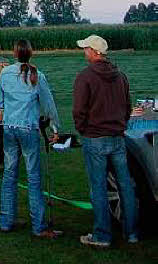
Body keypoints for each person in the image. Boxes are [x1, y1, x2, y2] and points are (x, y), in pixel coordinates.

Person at [73, 35, 138, 247]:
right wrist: (120, 125)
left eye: (86, 49)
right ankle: (132, 233)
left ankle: (102, 235)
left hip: (95, 138)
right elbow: (127, 107)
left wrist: (83, 130)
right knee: (125, 186)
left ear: (94, 51)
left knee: (98, 187)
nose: (84, 52)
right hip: (118, 137)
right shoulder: (121, 76)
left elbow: (79, 110)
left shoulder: (85, 77)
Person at [0, 39, 62, 238]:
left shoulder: (4, 73)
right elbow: (48, 104)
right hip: (28, 129)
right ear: (30, 54)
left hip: (8, 128)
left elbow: (0, 104)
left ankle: (6, 221)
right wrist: (55, 128)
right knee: (33, 178)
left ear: (15, 53)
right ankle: (39, 226)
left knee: (9, 175)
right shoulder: (37, 76)